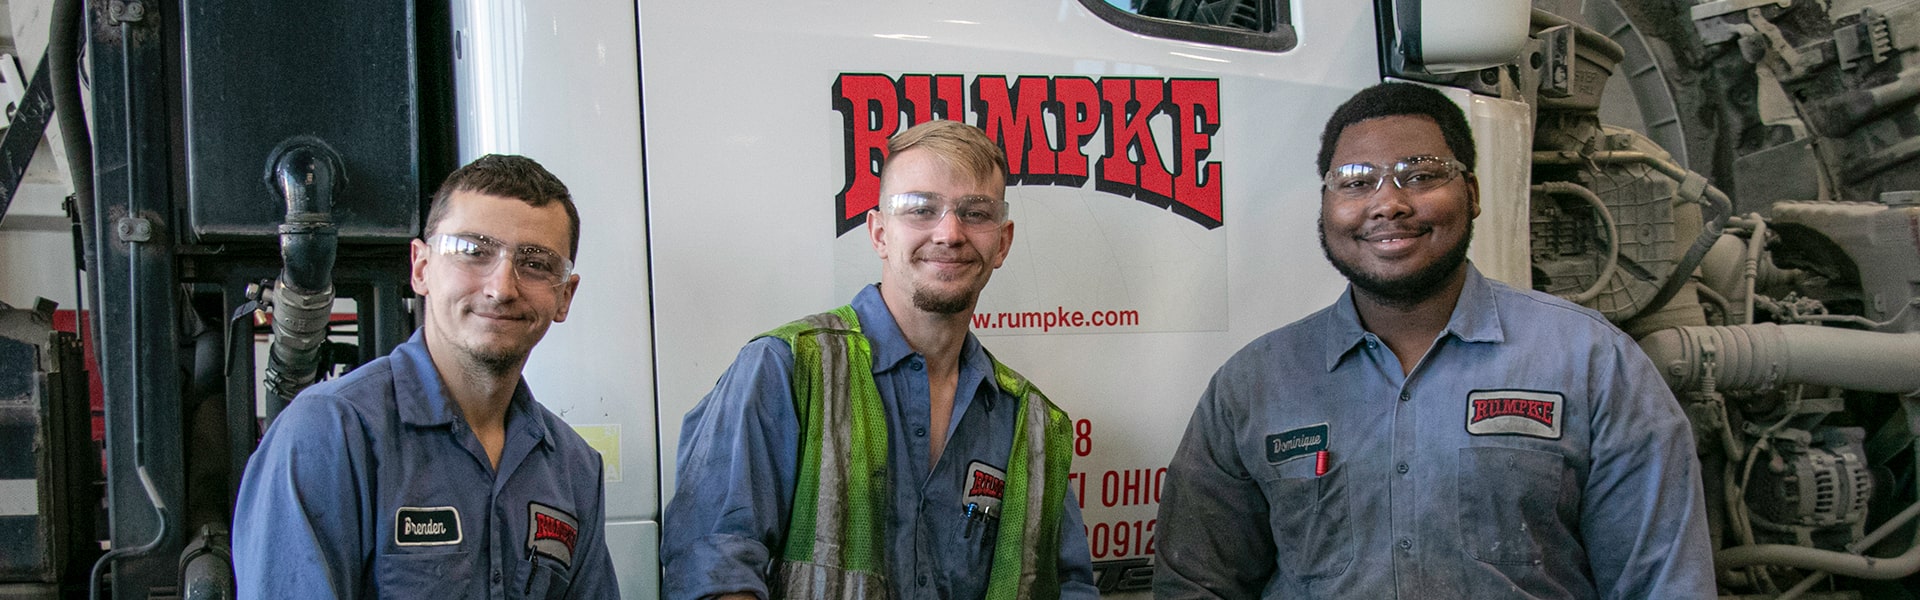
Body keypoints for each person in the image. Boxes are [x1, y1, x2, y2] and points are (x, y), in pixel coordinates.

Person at [1153, 82, 1714, 598]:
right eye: (1355, 181)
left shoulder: (1592, 362)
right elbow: (1197, 584)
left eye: (1419, 175)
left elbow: (1662, 582)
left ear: (1470, 192)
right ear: (1326, 209)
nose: (1388, 202)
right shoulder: (1254, 385)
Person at [663, 120, 1098, 599]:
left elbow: (1069, 588)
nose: (949, 233)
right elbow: (713, 567)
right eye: (920, 209)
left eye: (975, 212)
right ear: (879, 233)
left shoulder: (1032, 426)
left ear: (1003, 241)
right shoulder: (784, 369)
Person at [233, 154, 617, 599]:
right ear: (421, 268)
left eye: (535, 264)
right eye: (473, 251)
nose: (502, 288)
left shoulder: (574, 468)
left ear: (564, 296)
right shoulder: (329, 433)